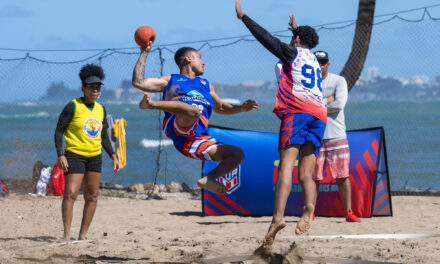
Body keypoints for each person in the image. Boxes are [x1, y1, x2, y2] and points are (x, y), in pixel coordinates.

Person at [235, 0, 326, 247]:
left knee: (286, 165)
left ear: (296, 41)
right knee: (306, 173)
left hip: (298, 111)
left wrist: (244, 17)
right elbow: (298, 46)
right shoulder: (315, 61)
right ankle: (309, 208)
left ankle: (277, 219)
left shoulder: (291, 53)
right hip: (320, 114)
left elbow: (265, 38)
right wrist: (296, 31)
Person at [132, 44, 259, 195]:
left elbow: (221, 107)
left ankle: (208, 179)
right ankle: (151, 105)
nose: (203, 62)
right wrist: (144, 52)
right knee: (193, 111)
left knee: (237, 154)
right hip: (177, 128)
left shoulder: (205, 85)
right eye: (200, 58)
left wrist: (241, 108)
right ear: (188, 59)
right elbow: (138, 82)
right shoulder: (171, 80)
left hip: (195, 140)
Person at [54, 64, 120, 242]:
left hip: (94, 157)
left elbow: (104, 136)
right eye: (91, 87)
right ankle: (67, 235)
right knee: (71, 194)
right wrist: (61, 154)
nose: (95, 90)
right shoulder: (73, 106)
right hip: (74, 155)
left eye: (98, 87)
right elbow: (59, 131)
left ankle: (82, 236)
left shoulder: (101, 109)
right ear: (83, 88)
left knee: (92, 196)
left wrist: (113, 155)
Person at [312, 51, 361, 222]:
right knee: (313, 178)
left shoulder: (339, 80)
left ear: (328, 64)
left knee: (342, 176)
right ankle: (309, 213)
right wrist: (327, 101)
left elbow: (339, 104)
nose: (320, 65)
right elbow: (304, 106)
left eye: (322, 62)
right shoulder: (307, 82)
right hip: (314, 136)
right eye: (317, 62)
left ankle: (348, 212)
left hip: (336, 135)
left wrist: (316, 106)